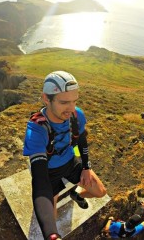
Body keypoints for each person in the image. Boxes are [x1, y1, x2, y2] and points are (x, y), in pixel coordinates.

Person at [23, 71, 107, 240]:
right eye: (64, 102)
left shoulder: (76, 115)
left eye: (74, 101)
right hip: (49, 172)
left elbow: (82, 141)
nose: (71, 108)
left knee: (100, 192)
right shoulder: (36, 130)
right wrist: (52, 236)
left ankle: (76, 194)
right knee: (51, 218)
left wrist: (86, 167)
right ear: (46, 99)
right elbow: (40, 182)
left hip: (70, 161)